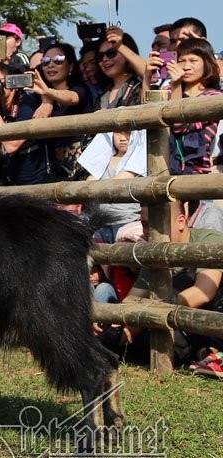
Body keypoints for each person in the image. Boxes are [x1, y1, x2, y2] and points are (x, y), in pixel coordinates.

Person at [120, 200, 223, 372]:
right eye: (145, 224)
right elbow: (133, 298)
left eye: (157, 224)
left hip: (206, 316)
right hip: (172, 320)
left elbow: (204, 292)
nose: (149, 232)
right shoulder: (154, 253)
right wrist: (118, 323)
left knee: (180, 283)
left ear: (181, 221)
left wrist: (149, 312)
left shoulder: (208, 241)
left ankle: (211, 351)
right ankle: (202, 353)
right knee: (135, 341)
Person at [30, 42, 96, 179]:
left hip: (83, 170)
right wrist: (46, 99)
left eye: (58, 60)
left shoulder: (81, 89)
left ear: (71, 66)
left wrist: (48, 92)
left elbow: (71, 98)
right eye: (46, 61)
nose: (51, 65)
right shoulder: (37, 97)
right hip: (54, 173)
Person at [158, 38, 221, 175]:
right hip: (162, 168)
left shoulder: (214, 97)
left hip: (195, 171)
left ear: (207, 63)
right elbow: (147, 113)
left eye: (193, 61)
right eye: (181, 60)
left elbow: (181, 126)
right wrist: (147, 76)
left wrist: (176, 86)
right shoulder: (167, 91)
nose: (186, 66)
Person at [79, 129, 147, 243]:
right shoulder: (103, 159)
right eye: (118, 133)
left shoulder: (138, 161)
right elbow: (89, 182)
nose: (122, 138)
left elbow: (122, 179)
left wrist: (95, 188)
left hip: (126, 220)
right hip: (98, 219)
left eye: (128, 133)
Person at [94, 28, 142, 109]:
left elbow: (148, 73)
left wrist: (119, 46)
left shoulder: (140, 86)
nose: (104, 59)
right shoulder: (101, 95)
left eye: (111, 53)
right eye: (100, 56)